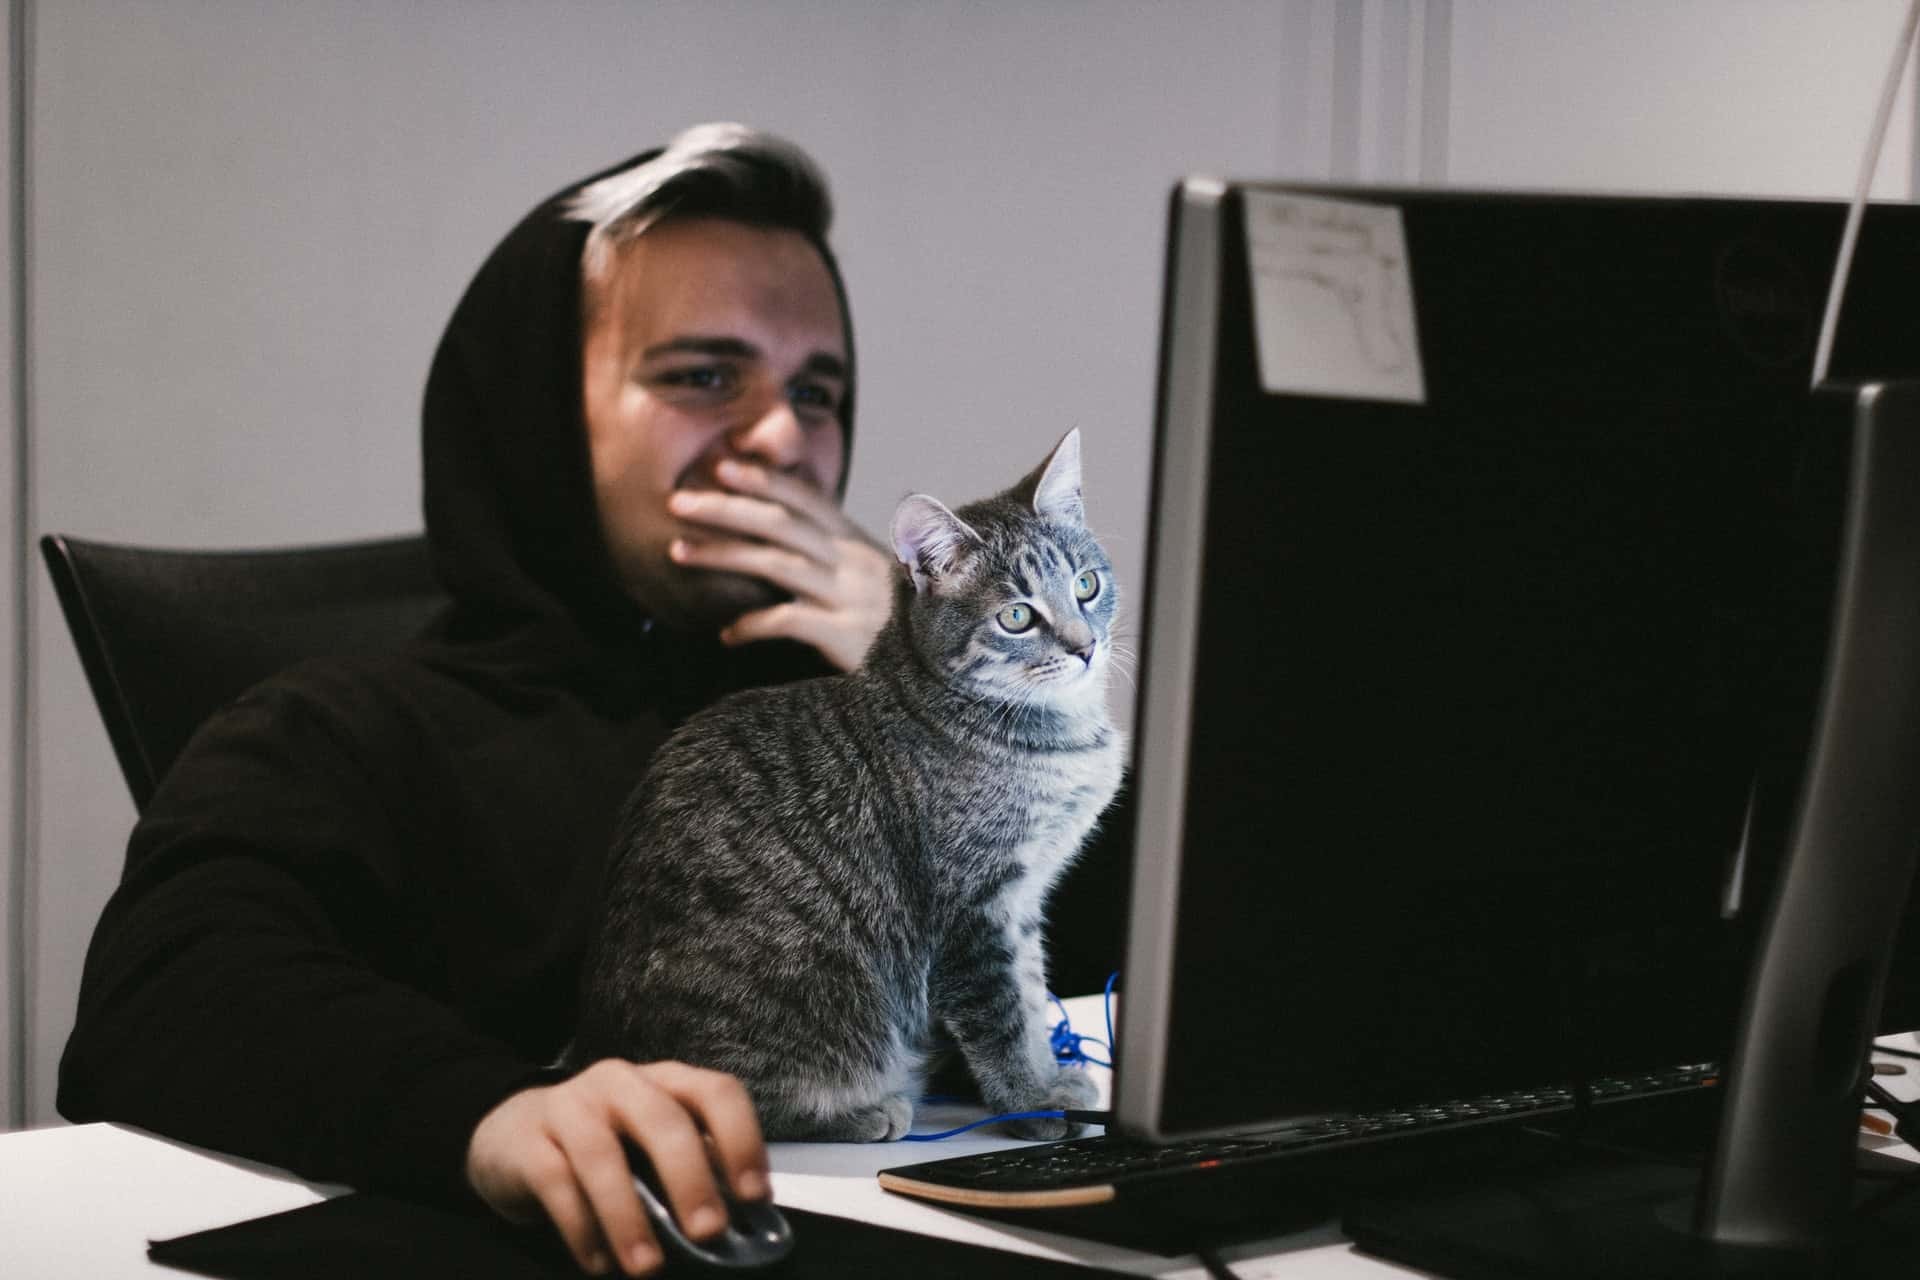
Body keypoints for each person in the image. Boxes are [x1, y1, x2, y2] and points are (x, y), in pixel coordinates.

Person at [57, 122, 894, 1279]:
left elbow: (1132, 1002)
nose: (784, 438)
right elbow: (166, 994)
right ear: (542, 414)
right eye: (705, 376)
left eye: (818, 390)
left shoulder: (863, 715)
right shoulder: (344, 731)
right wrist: (487, 1112)